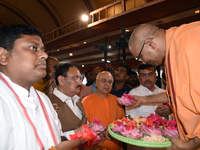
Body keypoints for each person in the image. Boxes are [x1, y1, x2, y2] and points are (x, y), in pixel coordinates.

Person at [0, 24, 86, 150]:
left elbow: (52, 137)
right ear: (3, 56)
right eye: (33, 47)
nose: (44, 55)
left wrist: (79, 137)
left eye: (43, 49)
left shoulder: (44, 99)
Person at [128, 22, 200, 149]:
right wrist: (143, 99)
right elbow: (176, 94)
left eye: (139, 57)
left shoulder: (192, 41)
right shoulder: (171, 53)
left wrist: (191, 145)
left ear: (150, 43)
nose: (143, 62)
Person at [82, 71, 125, 150]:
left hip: (116, 145)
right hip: (95, 147)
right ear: (96, 83)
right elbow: (84, 127)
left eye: (110, 82)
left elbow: (122, 122)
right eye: (104, 81)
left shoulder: (117, 100)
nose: (107, 84)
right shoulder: (86, 101)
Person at [48, 63, 88, 140]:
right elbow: (47, 137)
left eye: (81, 78)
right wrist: (75, 132)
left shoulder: (77, 100)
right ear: (61, 80)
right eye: (76, 78)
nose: (80, 83)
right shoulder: (48, 102)